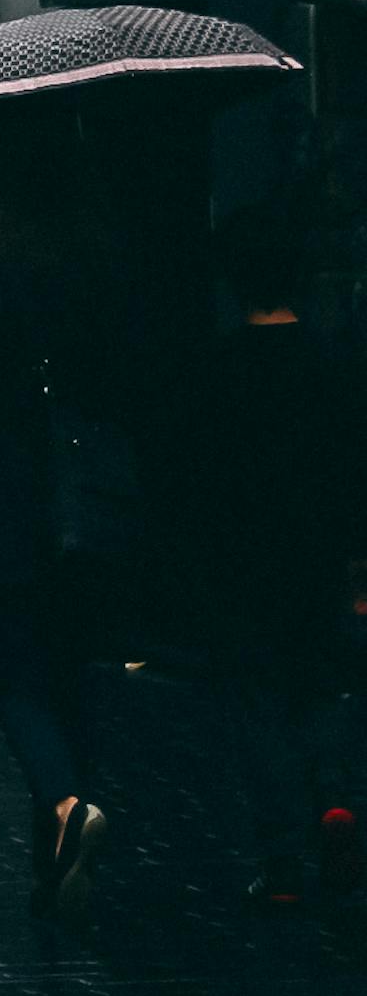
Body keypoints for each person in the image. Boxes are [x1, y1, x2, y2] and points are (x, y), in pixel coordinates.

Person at [0, 142, 132, 917]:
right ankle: (56, 862)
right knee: (71, 675)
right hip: (81, 498)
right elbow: (120, 377)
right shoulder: (94, 258)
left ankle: (66, 810)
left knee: (15, 676)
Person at [194, 203, 365, 905]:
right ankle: (332, 797)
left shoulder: (220, 370)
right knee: (324, 684)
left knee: (257, 702)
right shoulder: (333, 361)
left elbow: (201, 480)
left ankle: (281, 861)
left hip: (244, 565)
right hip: (319, 557)